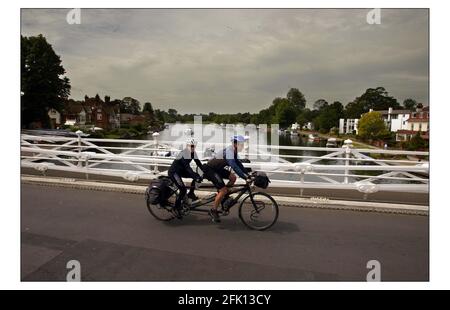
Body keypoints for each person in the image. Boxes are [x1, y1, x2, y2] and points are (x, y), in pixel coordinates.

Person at [203, 135, 251, 223]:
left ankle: (223, 196)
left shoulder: (234, 151)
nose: (243, 146)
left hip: (217, 169)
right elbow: (234, 167)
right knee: (223, 190)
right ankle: (213, 210)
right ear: (235, 144)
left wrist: (248, 175)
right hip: (210, 169)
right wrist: (245, 178)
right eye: (241, 144)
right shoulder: (230, 151)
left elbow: (239, 164)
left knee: (233, 178)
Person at [167, 138, 204, 219]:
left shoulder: (193, 153)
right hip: (174, 172)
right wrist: (195, 177)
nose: (193, 148)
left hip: (182, 171)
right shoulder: (183, 153)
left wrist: (205, 171)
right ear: (187, 146)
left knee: (196, 175)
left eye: (194, 146)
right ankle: (176, 208)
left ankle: (191, 193)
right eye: (191, 146)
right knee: (183, 190)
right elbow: (188, 168)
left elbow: (198, 163)